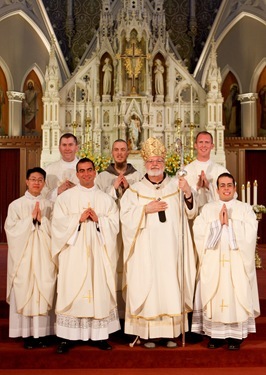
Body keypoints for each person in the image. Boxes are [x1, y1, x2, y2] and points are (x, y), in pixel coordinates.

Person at [120, 137, 197, 348]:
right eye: (151, 161)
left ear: (164, 162)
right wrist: (144, 210)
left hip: (171, 249)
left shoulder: (176, 186)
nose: (155, 164)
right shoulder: (135, 190)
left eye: (158, 160)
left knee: (170, 286)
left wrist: (188, 192)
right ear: (145, 163)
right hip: (145, 251)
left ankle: (171, 333)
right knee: (148, 286)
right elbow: (125, 218)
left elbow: (191, 212)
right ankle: (147, 335)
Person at [51, 158, 120, 354]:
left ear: (95, 172)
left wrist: (100, 221)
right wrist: (77, 219)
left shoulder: (106, 199)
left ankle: (99, 336)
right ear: (77, 173)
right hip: (73, 253)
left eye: (89, 170)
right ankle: (67, 337)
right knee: (71, 289)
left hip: (98, 253)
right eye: (82, 171)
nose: (86, 174)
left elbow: (114, 224)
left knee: (98, 289)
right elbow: (57, 224)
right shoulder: (65, 198)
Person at [191, 173, 260, 350]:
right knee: (215, 294)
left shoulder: (245, 209)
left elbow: (251, 234)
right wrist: (216, 225)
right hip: (214, 262)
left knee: (236, 293)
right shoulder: (208, 209)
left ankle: (235, 337)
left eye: (229, 185)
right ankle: (216, 336)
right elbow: (198, 232)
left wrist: (229, 225)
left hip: (237, 262)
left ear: (235, 188)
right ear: (217, 189)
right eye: (222, 185)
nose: (226, 188)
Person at [5, 167, 56, 349]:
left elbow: (57, 232)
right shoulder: (16, 205)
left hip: (44, 256)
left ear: (44, 183)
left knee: (43, 288)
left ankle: (43, 333)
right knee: (26, 287)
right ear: (26, 181)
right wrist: (30, 221)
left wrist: (43, 221)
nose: (36, 183)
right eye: (33, 179)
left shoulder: (50, 205)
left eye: (40, 180)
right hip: (24, 257)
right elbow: (10, 230)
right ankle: (27, 333)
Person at [95, 139, 142, 318]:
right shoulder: (102, 177)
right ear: (112, 152)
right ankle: (113, 311)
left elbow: (142, 200)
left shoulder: (137, 176)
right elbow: (98, 202)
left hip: (131, 228)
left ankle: (130, 310)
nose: (120, 153)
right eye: (117, 150)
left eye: (123, 150)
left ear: (128, 152)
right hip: (110, 229)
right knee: (111, 263)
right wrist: (113, 189)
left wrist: (129, 189)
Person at [184, 131, 229, 212]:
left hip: (215, 216)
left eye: (207, 142)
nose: (203, 145)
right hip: (194, 218)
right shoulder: (187, 170)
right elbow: (181, 197)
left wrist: (209, 186)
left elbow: (231, 195)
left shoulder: (221, 171)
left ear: (212, 146)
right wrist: (197, 186)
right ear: (195, 145)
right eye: (200, 142)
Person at [43, 133, 79, 202]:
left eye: (70, 145)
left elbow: (92, 191)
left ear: (76, 148)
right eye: (64, 145)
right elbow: (43, 193)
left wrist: (76, 189)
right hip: (55, 209)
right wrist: (57, 191)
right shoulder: (49, 170)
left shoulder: (87, 170)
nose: (67, 149)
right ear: (59, 148)